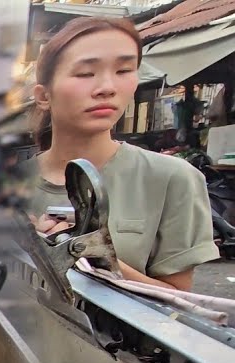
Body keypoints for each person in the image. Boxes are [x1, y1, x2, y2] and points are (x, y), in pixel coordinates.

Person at [27, 17, 218, 291]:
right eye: (85, 73)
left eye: (124, 70)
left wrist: (92, 255)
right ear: (43, 96)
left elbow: (179, 307)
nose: (107, 87)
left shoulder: (172, 179)